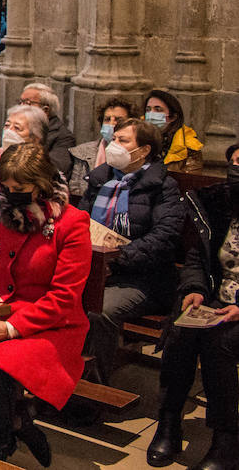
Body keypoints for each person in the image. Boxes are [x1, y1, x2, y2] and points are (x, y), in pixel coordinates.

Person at [0, 142, 91, 463]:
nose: (10, 193)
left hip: (48, 324)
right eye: (6, 187)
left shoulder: (71, 223)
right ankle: (18, 423)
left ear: (42, 186)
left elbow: (64, 296)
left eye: (20, 188)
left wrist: (11, 328)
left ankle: (1, 440)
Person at [146, 147, 239, 470]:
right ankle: (169, 421)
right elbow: (198, 258)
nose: (237, 169)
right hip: (217, 296)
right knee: (181, 330)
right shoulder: (220, 204)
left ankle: (226, 438)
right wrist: (195, 289)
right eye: (237, 162)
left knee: (221, 343)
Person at [78, 117, 183, 383]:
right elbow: (78, 222)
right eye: (114, 139)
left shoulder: (162, 187)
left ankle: (92, 389)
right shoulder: (100, 179)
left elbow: (165, 236)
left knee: (99, 310)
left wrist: (119, 258)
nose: (114, 145)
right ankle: (56, 377)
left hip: (143, 278)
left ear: (144, 150)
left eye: (123, 141)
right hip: (94, 269)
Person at [68, 96, 134, 195]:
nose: (112, 124)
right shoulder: (81, 153)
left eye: (118, 119)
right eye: (107, 119)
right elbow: (75, 192)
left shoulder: (134, 155)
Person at [16, 82, 73, 178]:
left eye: (27, 103)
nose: (21, 107)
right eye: (20, 102)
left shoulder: (63, 137)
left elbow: (55, 168)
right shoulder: (17, 126)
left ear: (45, 110)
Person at [144, 88, 205, 173]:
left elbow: (191, 180)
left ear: (173, 117)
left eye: (158, 110)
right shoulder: (137, 137)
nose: (151, 114)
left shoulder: (188, 146)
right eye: (148, 110)